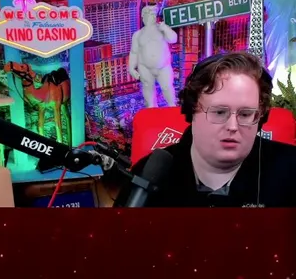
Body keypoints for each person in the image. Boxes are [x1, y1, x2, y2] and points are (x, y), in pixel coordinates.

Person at [119, 52, 296, 208]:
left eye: (245, 114)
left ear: (261, 117)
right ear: (191, 111)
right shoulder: (148, 176)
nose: (233, 126)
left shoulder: (291, 168)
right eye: (219, 112)